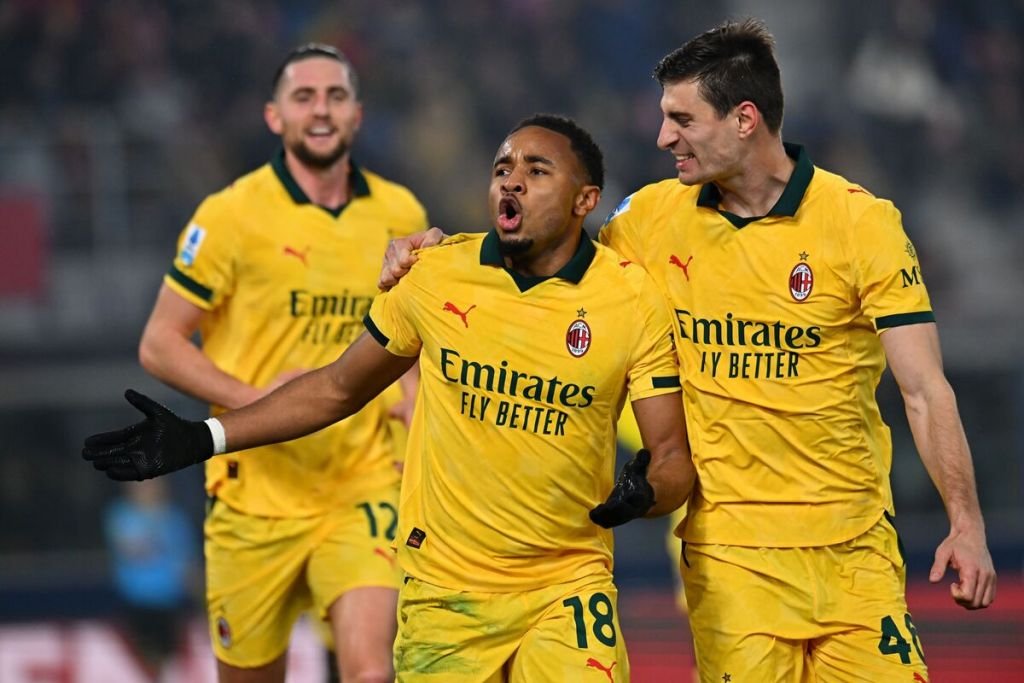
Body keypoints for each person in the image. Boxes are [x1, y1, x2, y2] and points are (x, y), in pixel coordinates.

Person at [377, 19, 998, 682]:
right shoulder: (649, 219)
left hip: (857, 553)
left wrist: (965, 522)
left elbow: (924, 389)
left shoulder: (861, 223)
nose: (662, 138)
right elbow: (544, 257)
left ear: (744, 120)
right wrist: (443, 251)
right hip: (732, 561)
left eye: (681, 119)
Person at [84, 114, 696, 682]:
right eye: (502, 168)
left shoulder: (631, 300)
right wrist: (206, 436)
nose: (511, 181)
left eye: (537, 171)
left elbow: (670, 456)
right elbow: (336, 389)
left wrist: (648, 494)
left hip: (568, 583)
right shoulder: (435, 275)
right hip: (445, 594)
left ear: (585, 200)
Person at [132, 43, 427, 683]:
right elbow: (159, 343)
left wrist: (415, 402)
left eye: (336, 96)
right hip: (254, 495)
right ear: (274, 116)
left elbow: (408, 336)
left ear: (357, 114)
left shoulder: (399, 213)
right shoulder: (229, 216)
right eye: (304, 97)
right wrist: (262, 403)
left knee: (371, 671)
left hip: (363, 484)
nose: (321, 110)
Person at [104, 479, 197, 679]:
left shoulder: (175, 518)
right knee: (143, 659)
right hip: (136, 600)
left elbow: (186, 562)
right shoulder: (121, 515)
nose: (147, 489)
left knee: (170, 659)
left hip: (169, 601)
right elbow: (131, 548)